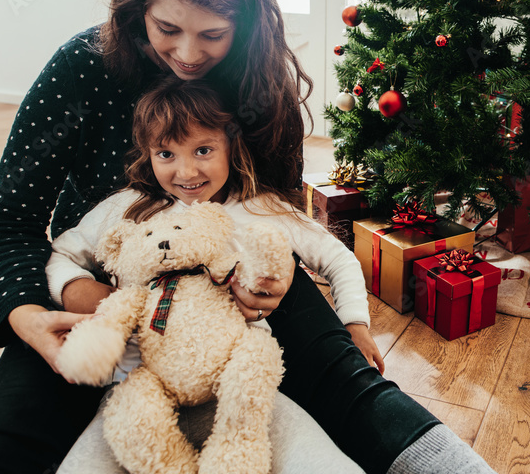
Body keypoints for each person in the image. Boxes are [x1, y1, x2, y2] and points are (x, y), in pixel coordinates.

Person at [0, 0, 495, 474]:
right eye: (168, 29)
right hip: (100, 288)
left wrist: (277, 277)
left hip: (229, 276)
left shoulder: (256, 78)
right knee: (7, 434)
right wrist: (30, 316)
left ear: (244, 25)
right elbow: (4, 224)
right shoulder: (82, 68)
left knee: (348, 384)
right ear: (136, 7)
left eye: (212, 34)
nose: (188, 55)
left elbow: (277, 213)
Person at [48, 76, 375, 473]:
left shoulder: (260, 207)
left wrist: (356, 324)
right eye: (165, 154)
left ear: (231, 146)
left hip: (241, 392)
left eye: (203, 150)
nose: (186, 171)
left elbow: (338, 258)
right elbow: (62, 252)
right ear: (147, 155)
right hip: (140, 388)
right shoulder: (128, 207)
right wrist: (79, 291)